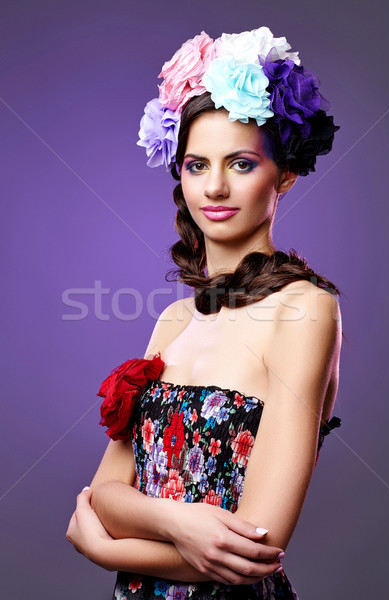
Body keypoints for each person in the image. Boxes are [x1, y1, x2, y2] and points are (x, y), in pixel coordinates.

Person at [66, 26, 343, 600]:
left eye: (241, 164)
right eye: (197, 165)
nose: (215, 187)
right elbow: (103, 495)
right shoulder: (172, 321)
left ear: (284, 175)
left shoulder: (306, 310)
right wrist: (179, 523)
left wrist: (105, 548)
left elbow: (255, 548)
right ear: (180, 173)